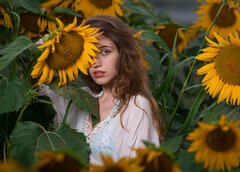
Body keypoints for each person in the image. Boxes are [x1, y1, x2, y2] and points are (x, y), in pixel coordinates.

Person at [39, 15, 165, 165]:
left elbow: (142, 166)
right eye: (89, 54)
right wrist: (42, 52)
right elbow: (32, 94)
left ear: (123, 55)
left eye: (105, 51)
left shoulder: (136, 106)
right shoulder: (78, 98)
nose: (95, 62)